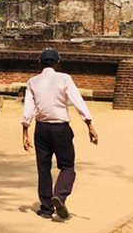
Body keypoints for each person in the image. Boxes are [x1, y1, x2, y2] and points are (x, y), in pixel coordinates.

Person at [22, 49, 98, 220]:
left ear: (40, 63)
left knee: (43, 168)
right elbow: (77, 100)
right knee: (67, 166)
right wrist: (89, 124)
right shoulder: (64, 78)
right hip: (60, 128)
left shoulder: (32, 81)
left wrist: (25, 130)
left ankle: (47, 208)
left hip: (41, 128)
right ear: (57, 63)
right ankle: (60, 195)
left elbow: (29, 107)